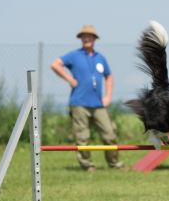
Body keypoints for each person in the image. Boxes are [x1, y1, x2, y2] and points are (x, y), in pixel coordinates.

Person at [51, 24, 124, 171]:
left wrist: (108, 96)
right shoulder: (74, 55)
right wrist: (69, 79)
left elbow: (109, 77)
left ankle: (114, 164)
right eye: (84, 36)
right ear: (81, 39)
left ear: (94, 39)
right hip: (79, 103)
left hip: (98, 103)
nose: (86, 38)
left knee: (109, 134)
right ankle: (88, 165)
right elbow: (55, 64)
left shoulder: (100, 58)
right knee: (82, 138)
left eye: (89, 36)